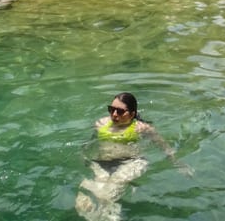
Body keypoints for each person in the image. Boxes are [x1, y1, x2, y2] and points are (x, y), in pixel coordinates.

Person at [75, 92, 188, 220]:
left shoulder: (141, 128)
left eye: (120, 111)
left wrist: (177, 162)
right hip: (104, 163)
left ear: (132, 114)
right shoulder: (101, 124)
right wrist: (84, 156)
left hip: (130, 163)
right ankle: (103, 215)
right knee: (85, 198)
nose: (114, 114)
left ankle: (112, 215)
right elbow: (88, 143)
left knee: (106, 195)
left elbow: (163, 146)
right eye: (111, 109)